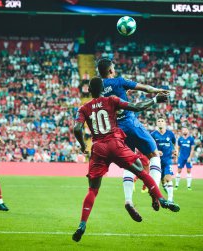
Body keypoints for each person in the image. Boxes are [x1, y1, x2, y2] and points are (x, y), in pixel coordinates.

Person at [72, 77, 180, 242]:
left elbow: (77, 128)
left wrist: (81, 145)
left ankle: (82, 224)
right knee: (140, 170)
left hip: (98, 148)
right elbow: (136, 107)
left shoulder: (83, 108)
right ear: (103, 88)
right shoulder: (112, 100)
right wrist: (155, 99)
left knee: (93, 190)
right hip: (115, 143)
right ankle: (162, 199)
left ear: (89, 91)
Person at [97, 58, 170, 220]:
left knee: (129, 165)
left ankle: (128, 200)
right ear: (110, 71)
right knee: (154, 155)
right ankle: (155, 191)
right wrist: (158, 90)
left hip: (115, 130)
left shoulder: (98, 88)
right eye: (113, 68)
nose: (114, 70)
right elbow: (144, 88)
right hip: (130, 123)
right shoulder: (119, 81)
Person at [150, 115, 176, 202]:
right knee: (163, 182)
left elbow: (174, 143)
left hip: (167, 160)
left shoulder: (170, 134)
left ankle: (170, 200)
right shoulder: (153, 134)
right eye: (159, 121)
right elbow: (150, 145)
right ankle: (167, 191)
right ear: (157, 123)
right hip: (157, 161)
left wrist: (175, 151)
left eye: (162, 121)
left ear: (165, 123)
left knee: (168, 178)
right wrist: (156, 151)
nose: (160, 122)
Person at [175, 126, 195, 190]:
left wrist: (190, 157)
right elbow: (178, 148)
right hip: (181, 157)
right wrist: (177, 155)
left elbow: (192, 149)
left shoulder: (191, 139)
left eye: (185, 130)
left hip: (188, 157)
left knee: (188, 171)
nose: (184, 131)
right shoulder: (180, 139)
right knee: (179, 170)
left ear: (188, 131)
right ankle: (176, 185)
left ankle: (188, 186)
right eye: (183, 130)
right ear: (182, 131)